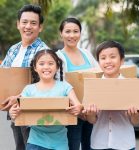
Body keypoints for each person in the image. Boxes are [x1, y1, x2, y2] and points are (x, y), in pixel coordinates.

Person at [9, 49, 83, 150]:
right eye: (42, 63)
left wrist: (78, 108)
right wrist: (12, 112)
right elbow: (17, 110)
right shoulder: (28, 90)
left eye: (51, 63)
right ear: (35, 67)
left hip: (60, 143)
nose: (46, 67)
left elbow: (78, 106)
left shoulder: (65, 87)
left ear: (57, 67)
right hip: (35, 142)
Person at [1, 4, 48, 150]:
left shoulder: (44, 52)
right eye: (24, 22)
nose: (28, 26)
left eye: (33, 23)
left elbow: (47, 83)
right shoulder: (13, 50)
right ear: (18, 24)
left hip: (34, 114)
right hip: (14, 111)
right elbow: (4, 76)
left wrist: (20, 98)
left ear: (40, 27)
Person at [83, 40, 139, 150]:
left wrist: (136, 114)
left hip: (125, 144)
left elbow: (135, 122)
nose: (108, 61)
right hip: (99, 143)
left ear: (122, 60)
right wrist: (91, 114)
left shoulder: (131, 87)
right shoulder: (93, 87)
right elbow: (92, 120)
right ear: (98, 62)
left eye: (112, 57)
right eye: (103, 58)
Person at [56, 17, 99, 150]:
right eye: (67, 31)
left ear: (80, 33)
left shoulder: (86, 53)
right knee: (72, 147)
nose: (72, 35)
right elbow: (59, 86)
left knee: (91, 147)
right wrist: (78, 108)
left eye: (76, 31)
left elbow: (98, 75)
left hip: (91, 112)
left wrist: (89, 111)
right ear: (61, 33)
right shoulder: (57, 57)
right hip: (72, 113)